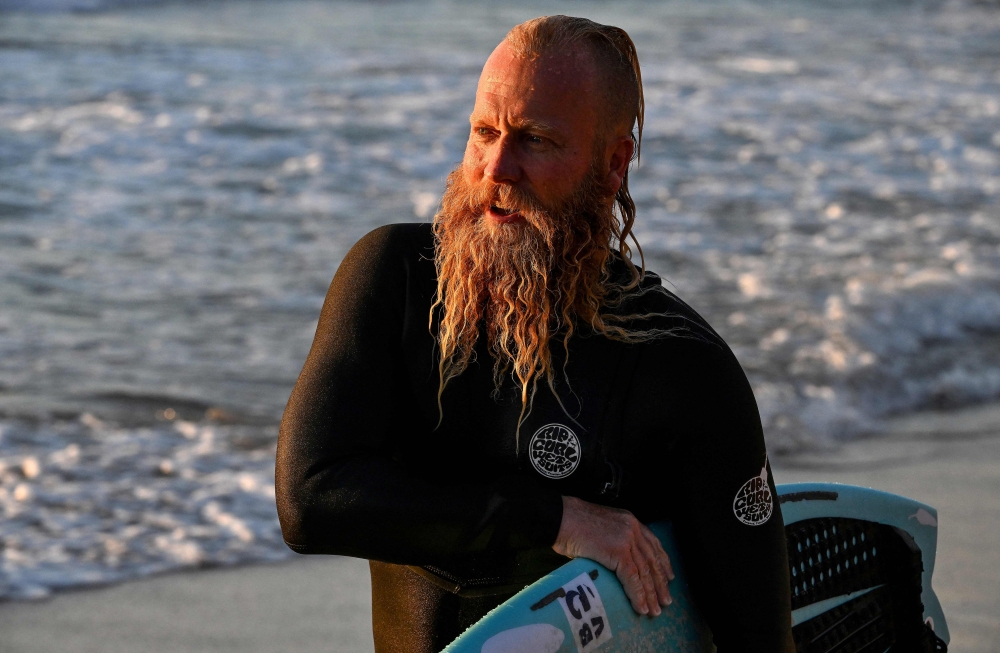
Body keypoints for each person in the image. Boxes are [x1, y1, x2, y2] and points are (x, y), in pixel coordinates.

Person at [276, 15, 795, 653]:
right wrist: (554, 518)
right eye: (484, 132)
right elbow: (311, 499)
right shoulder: (397, 282)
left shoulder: (681, 370)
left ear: (613, 164)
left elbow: (759, 639)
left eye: (535, 140)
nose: (497, 166)